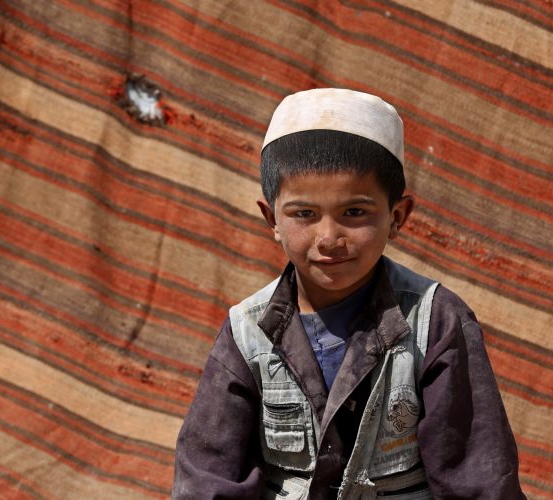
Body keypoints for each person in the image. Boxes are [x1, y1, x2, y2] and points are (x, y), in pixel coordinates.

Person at [173, 88, 525, 499]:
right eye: (303, 214)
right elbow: (208, 476)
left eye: (354, 213)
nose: (329, 238)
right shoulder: (247, 332)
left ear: (397, 216)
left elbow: (478, 478)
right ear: (271, 219)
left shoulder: (437, 322)